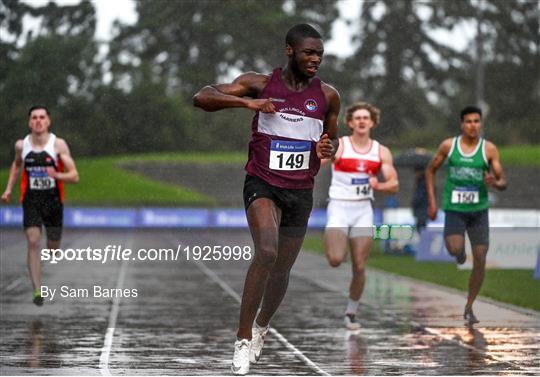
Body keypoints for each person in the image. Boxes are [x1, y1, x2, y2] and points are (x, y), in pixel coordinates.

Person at [193, 24, 340, 375]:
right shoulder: (259, 83)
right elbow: (202, 96)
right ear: (289, 50)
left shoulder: (329, 96)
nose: (315, 59)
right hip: (262, 182)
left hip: (300, 191)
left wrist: (328, 147)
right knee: (267, 251)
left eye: (319, 54)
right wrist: (248, 102)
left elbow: (331, 140)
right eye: (308, 52)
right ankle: (242, 339)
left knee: (282, 269)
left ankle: (261, 326)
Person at [425, 106, 506, 326]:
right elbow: (430, 170)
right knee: (454, 249)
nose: (473, 125)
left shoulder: (488, 149)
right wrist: (432, 202)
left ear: (481, 124)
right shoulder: (449, 146)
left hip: (478, 210)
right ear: (462, 124)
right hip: (455, 208)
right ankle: (459, 254)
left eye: (476, 121)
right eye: (469, 121)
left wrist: (495, 183)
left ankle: (469, 306)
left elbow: (502, 181)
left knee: (480, 258)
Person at [323, 102, 398, 330]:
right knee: (335, 260)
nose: (362, 121)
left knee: (359, 265)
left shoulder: (380, 151)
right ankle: (341, 247)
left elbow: (394, 184)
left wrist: (379, 185)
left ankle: (351, 312)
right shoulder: (341, 146)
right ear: (350, 123)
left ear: (372, 122)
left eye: (366, 117)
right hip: (339, 206)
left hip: (363, 210)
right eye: (357, 118)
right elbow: (315, 164)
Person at [1, 105, 79, 306]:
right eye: (34, 118)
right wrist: (9, 189)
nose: (38, 121)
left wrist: (57, 175)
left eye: (42, 117)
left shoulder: (58, 145)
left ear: (48, 121)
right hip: (31, 199)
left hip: (53, 201)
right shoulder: (22, 145)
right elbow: (17, 164)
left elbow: (74, 176)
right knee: (33, 241)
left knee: (53, 249)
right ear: (29, 122)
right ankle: (37, 289)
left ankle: (43, 259)